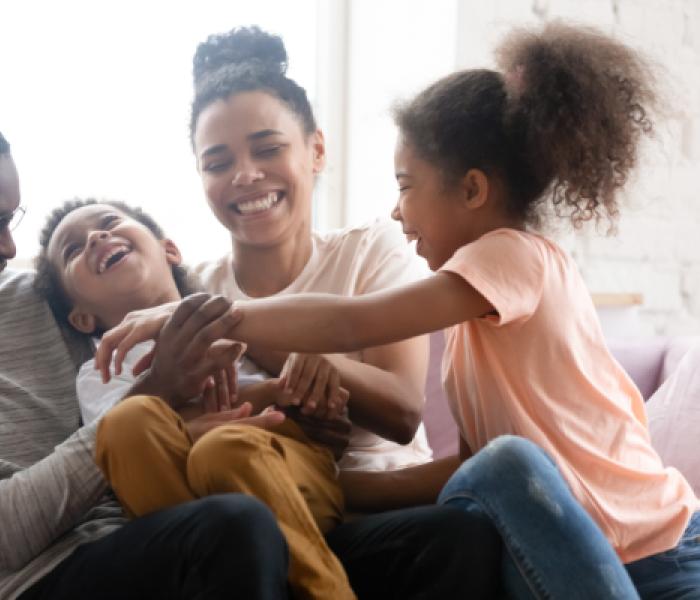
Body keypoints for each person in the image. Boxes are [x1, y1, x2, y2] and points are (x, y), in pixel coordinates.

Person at [96, 26, 504, 599]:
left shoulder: (372, 248)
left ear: (315, 150)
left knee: (458, 537)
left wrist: (305, 360)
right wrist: (255, 407)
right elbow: (173, 427)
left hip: (362, 511)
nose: (244, 174)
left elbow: (402, 409)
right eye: (218, 162)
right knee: (151, 437)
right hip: (236, 522)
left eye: (268, 149)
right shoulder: (193, 287)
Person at [0, 131, 291, 600]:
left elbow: (169, 293)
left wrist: (311, 387)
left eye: (11, 218)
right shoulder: (84, 329)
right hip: (41, 578)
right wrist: (161, 389)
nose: (10, 249)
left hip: (148, 532)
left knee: (439, 537)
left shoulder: (34, 293)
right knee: (233, 526)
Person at [34, 197, 356, 599]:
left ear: (170, 250)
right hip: (192, 500)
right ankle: (215, 563)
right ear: (81, 318)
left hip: (285, 473)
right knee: (126, 423)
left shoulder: (239, 319)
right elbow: (131, 450)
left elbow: (302, 395)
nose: (97, 237)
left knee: (225, 448)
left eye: (110, 222)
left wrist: (309, 381)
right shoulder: (101, 371)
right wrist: (261, 397)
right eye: (73, 250)